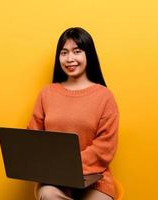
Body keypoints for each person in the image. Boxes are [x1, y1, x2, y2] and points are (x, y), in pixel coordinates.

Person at [27, 27, 119, 200]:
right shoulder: (46, 93)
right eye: (64, 52)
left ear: (88, 55)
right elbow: (34, 137)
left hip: (95, 179)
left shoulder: (104, 96)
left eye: (77, 51)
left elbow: (105, 147)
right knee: (47, 194)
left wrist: (68, 166)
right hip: (53, 179)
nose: (70, 59)